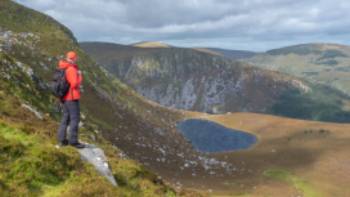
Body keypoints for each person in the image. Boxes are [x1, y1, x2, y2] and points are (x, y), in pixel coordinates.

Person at [57, 51, 85, 148]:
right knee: (75, 119)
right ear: (74, 58)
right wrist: (80, 76)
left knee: (65, 118)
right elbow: (74, 84)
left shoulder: (64, 67)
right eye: (76, 58)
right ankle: (73, 141)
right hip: (71, 97)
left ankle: (62, 140)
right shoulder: (71, 69)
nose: (76, 59)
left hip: (64, 98)